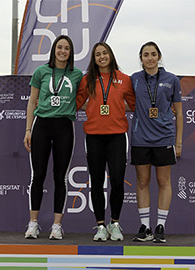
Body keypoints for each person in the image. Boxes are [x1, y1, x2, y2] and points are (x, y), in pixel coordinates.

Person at [23, 35, 83, 240]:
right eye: (60, 47)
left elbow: (85, 98)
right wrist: (28, 130)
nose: (63, 51)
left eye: (67, 48)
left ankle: (57, 226)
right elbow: (32, 102)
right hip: (42, 125)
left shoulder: (77, 75)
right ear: (54, 50)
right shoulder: (41, 72)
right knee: (37, 176)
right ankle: (33, 224)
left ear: (70, 52)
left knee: (60, 178)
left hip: (64, 126)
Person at [76, 42, 135, 241]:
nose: (102, 56)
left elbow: (136, 104)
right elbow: (75, 103)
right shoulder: (87, 80)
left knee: (118, 181)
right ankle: (101, 225)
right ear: (94, 59)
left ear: (111, 55)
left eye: (105, 53)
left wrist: (162, 109)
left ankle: (115, 223)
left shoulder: (124, 79)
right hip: (94, 136)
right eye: (98, 54)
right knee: (97, 181)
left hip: (118, 136)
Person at [131, 41, 183, 243]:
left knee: (164, 181)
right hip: (140, 138)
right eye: (146, 54)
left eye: (153, 54)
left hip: (164, 138)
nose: (150, 58)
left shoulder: (172, 79)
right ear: (141, 58)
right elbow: (127, 104)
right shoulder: (134, 79)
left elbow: (178, 112)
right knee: (143, 182)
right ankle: (145, 227)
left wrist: (178, 143)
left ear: (159, 56)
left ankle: (160, 226)